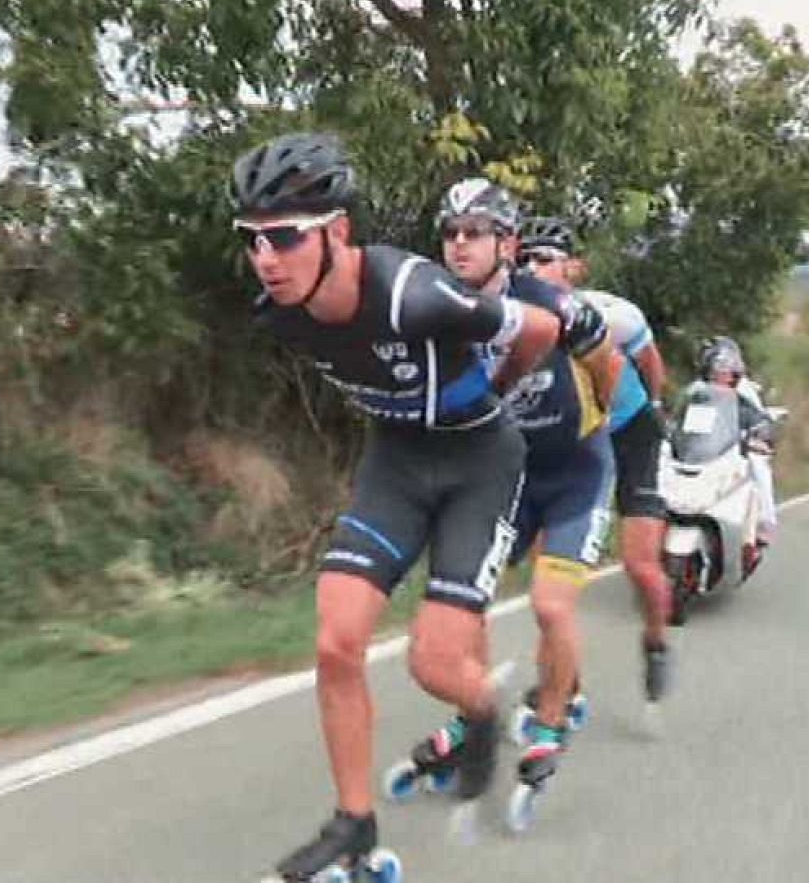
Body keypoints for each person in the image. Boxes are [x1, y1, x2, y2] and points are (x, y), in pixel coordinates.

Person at [233, 134, 570, 880]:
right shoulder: (278, 311)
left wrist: (498, 395)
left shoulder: (415, 294)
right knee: (334, 641)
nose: (267, 258)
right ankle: (353, 828)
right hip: (398, 461)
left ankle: (482, 707)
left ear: (338, 231)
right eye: (253, 240)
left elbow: (540, 329)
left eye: (285, 237)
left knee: (434, 660)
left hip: (480, 461)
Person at [429, 179, 622, 797]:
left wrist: (595, 420)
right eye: (450, 234)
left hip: (575, 472)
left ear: (506, 244)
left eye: (475, 233)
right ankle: (474, 715)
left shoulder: (554, 304)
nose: (459, 245)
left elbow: (608, 362)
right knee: (463, 606)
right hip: (506, 476)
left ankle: (551, 721)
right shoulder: (437, 311)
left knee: (550, 603)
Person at [519, 216, 673, 703]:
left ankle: (655, 640)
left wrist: (648, 408)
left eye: (544, 260)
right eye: (524, 259)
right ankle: (561, 682)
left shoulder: (614, 314)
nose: (531, 268)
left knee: (640, 565)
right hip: (580, 445)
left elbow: (651, 365)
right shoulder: (513, 317)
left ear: (575, 268)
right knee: (550, 571)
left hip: (632, 433)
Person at [698, 337, 778, 544]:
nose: (720, 372)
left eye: (725, 367)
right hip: (704, 449)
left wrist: (758, 436)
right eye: (715, 366)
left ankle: (764, 522)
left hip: (737, 448)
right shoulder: (697, 390)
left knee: (758, 465)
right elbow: (684, 418)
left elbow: (758, 419)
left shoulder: (744, 391)